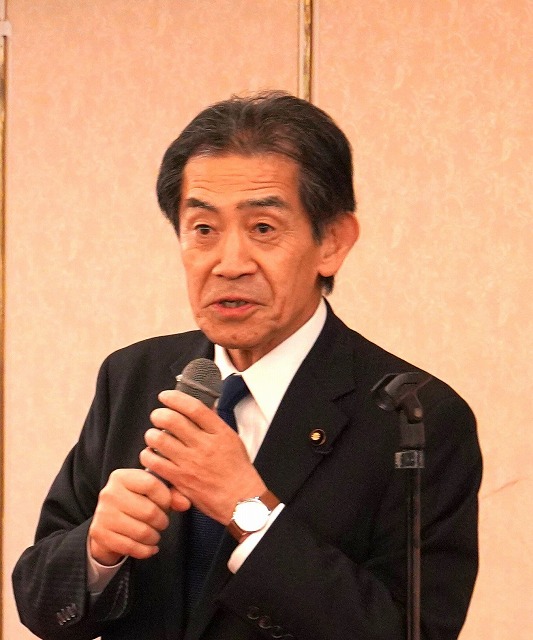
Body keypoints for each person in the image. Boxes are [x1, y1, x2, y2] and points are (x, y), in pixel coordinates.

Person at [13, 91, 482, 640]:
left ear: (332, 243)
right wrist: (96, 551)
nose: (229, 264)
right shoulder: (133, 375)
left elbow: (408, 631)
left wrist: (248, 509)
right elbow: (39, 602)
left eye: (262, 228)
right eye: (203, 230)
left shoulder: (413, 415)